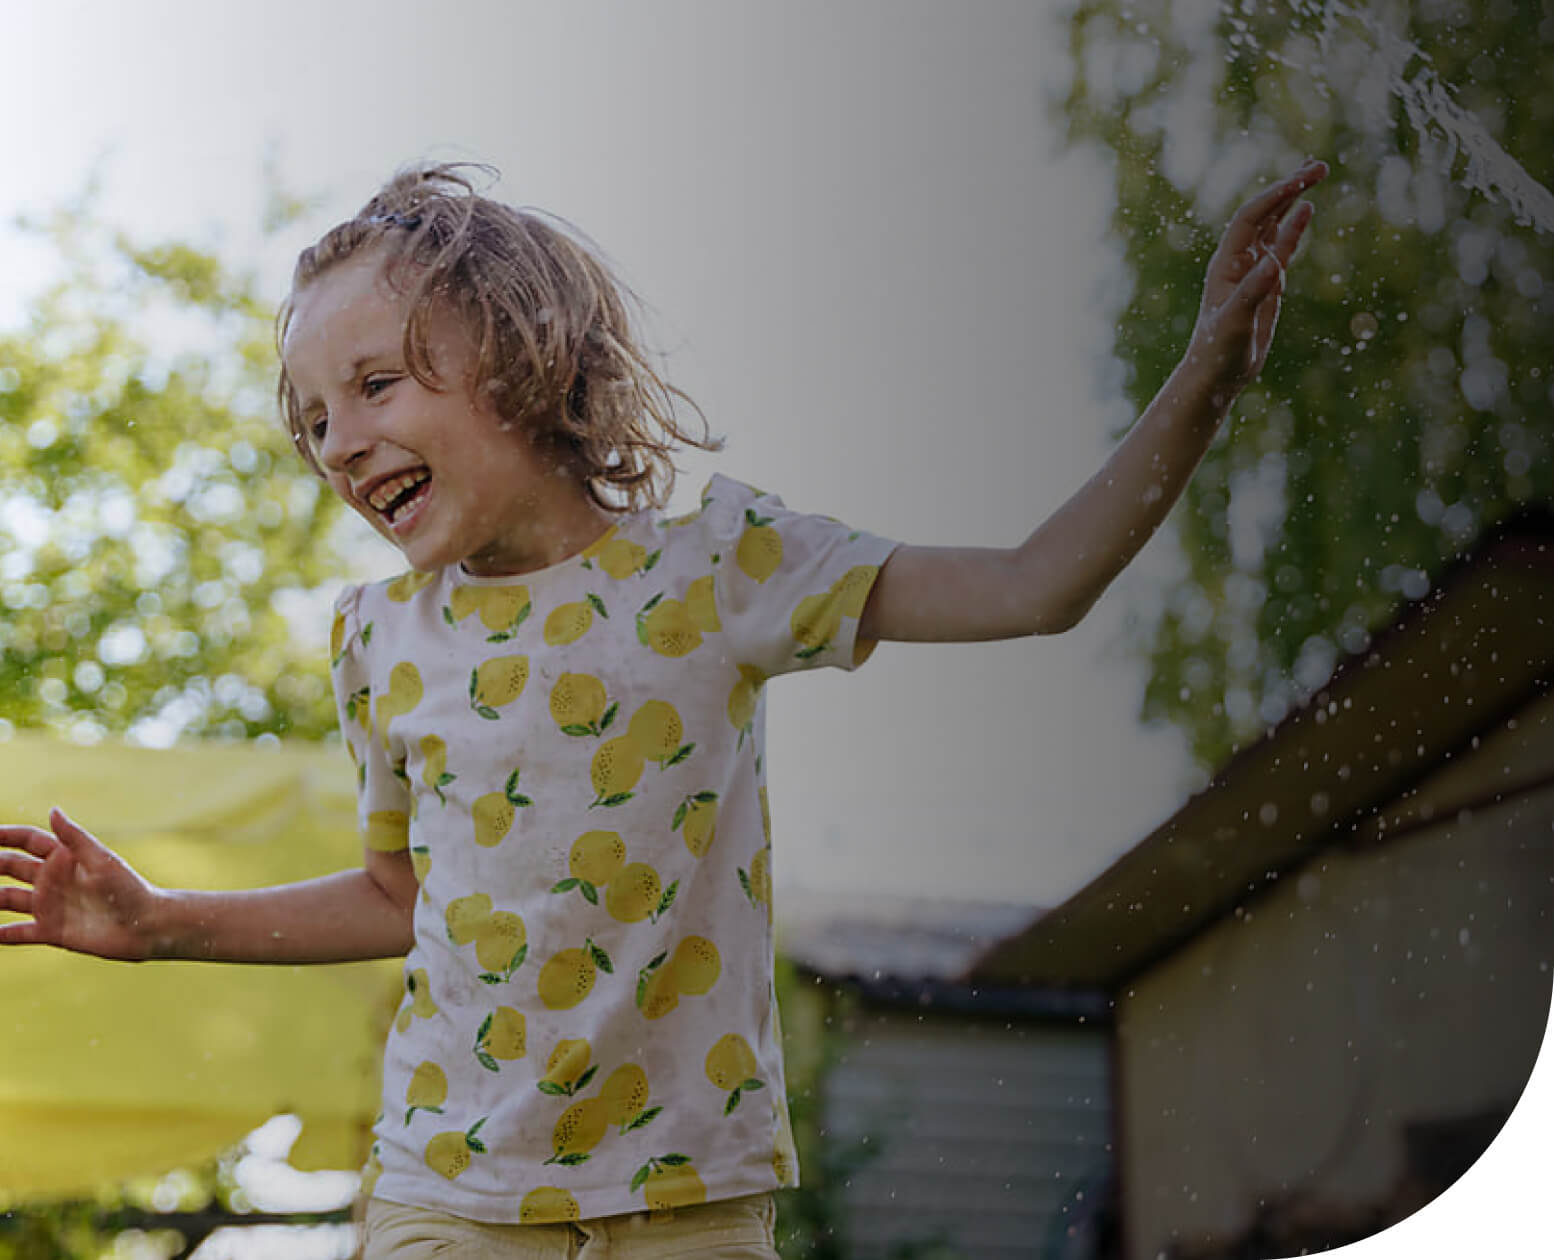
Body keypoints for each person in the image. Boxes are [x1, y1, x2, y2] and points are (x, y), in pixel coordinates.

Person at [0, 157, 1327, 1258]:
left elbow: (1040, 585)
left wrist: (1205, 370)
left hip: (687, 1203)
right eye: (312, 422)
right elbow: (403, 897)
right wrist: (166, 923)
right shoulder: (381, 643)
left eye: (376, 385)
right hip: (449, 1197)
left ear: (523, 357)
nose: (339, 441)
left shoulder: (719, 575)